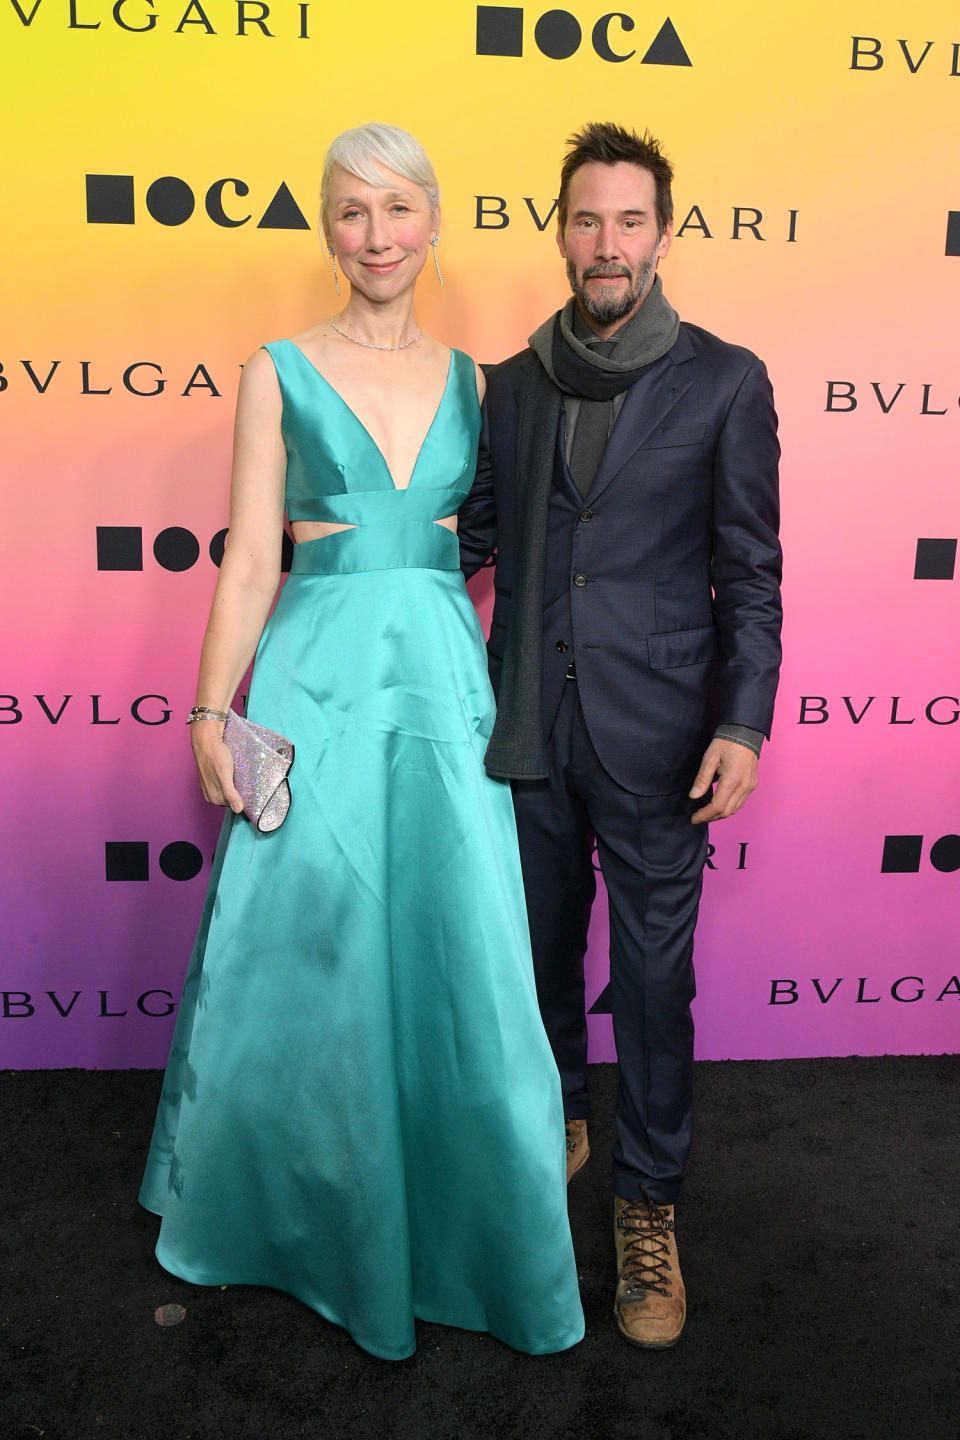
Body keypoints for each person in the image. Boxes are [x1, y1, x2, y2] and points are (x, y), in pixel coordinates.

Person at [139, 122, 584, 1362]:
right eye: (350, 211)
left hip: (441, 680)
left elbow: (517, 550)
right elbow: (246, 564)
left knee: (463, 955)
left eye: (396, 209)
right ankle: (291, 1217)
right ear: (325, 228)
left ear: (434, 221)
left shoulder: (481, 384)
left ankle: (467, 1214)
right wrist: (209, 705)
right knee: (305, 958)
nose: (375, 235)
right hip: (317, 674)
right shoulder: (272, 372)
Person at [459, 122, 782, 1350]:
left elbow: (751, 569)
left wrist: (743, 722)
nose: (608, 243)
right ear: (560, 231)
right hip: (529, 727)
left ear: (663, 231)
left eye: (630, 221)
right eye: (587, 220)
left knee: (652, 983)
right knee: (539, 962)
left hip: (660, 739)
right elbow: (473, 540)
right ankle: (560, 1120)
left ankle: (649, 1203)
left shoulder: (725, 379)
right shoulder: (514, 381)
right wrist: (354, 583)